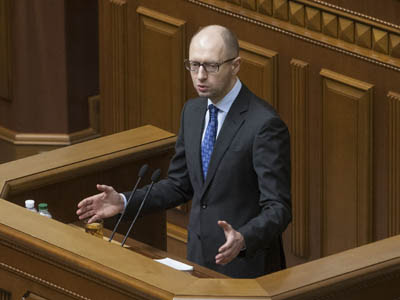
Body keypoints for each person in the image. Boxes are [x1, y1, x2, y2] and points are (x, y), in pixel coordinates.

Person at [77, 25, 291, 278]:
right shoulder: (193, 112)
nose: (200, 76)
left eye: (211, 66)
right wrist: (124, 201)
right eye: (193, 65)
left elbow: (278, 208)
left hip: (246, 267)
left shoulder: (263, 124)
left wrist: (243, 238)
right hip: (199, 258)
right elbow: (180, 185)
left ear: (235, 65)